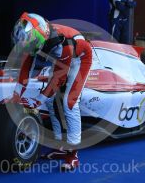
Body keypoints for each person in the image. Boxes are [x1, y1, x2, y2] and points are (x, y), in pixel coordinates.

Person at [11, 12, 92, 171]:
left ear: (39, 38)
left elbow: (58, 79)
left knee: (69, 102)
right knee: (49, 100)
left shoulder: (63, 44)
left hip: (80, 59)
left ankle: (73, 154)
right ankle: (59, 145)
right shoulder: (34, 38)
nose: (26, 46)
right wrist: (15, 96)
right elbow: (26, 68)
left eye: (29, 43)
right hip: (61, 60)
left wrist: (37, 101)